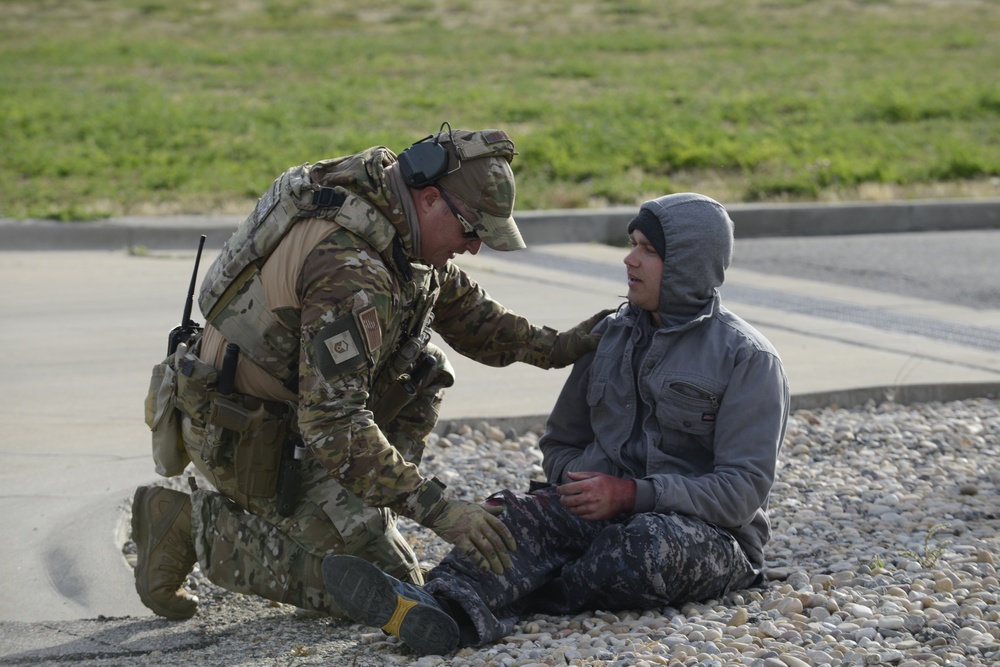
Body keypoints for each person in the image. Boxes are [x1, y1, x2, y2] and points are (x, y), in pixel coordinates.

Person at [132, 125, 610, 621]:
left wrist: (559, 347)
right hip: (244, 436)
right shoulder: (353, 272)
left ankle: (358, 511)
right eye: (472, 230)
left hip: (290, 421)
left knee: (426, 370)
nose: (475, 248)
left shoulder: (393, 218)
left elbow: (470, 316)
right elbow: (334, 424)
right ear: (430, 199)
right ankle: (189, 527)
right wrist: (441, 511)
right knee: (387, 587)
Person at [323, 192, 790, 655]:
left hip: (707, 535)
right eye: (632, 244)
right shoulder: (610, 334)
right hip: (603, 516)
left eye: (648, 250)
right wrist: (571, 489)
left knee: (642, 549)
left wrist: (631, 494)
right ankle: (438, 608)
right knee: (509, 518)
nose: (629, 260)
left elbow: (741, 493)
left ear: (688, 263)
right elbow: (562, 441)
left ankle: (523, 593)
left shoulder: (748, 359)